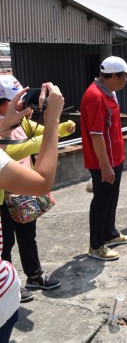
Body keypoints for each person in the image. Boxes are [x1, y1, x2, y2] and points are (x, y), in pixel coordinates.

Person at [0, 76, 75, 302]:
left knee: (27, 236)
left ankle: (33, 276)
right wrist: (52, 121)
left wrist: (60, 126)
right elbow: (11, 153)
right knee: (7, 243)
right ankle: (10, 285)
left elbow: (40, 132)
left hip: (23, 190)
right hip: (8, 192)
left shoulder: (19, 121)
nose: (21, 104)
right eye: (15, 99)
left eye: (23, 99)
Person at [80, 56, 127, 261]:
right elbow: (96, 135)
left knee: (112, 198)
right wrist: (105, 165)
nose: (126, 80)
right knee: (102, 201)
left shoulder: (109, 93)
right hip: (104, 161)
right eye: (124, 76)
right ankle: (96, 245)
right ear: (113, 76)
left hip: (115, 157)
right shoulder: (95, 97)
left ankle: (110, 233)